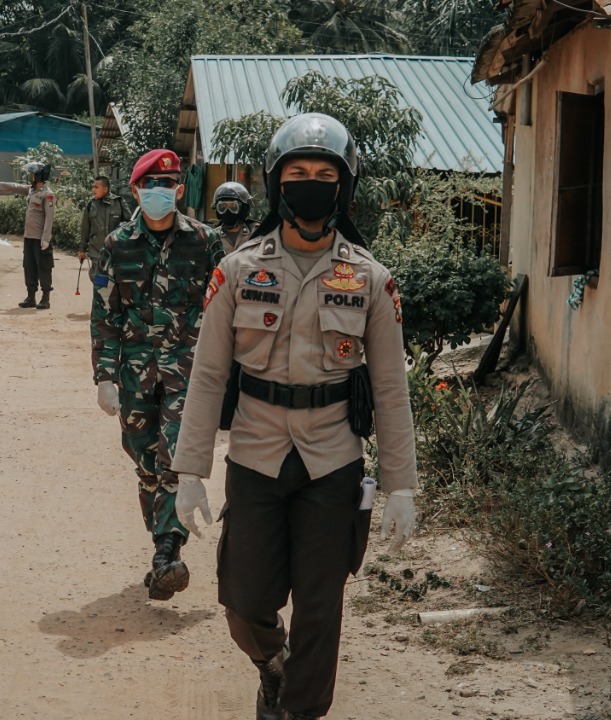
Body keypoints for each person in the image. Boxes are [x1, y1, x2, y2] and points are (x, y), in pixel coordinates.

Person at [168, 114, 418, 720]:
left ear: (344, 186)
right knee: (244, 600)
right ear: (278, 185)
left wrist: (401, 483)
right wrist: (190, 470)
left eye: (324, 174)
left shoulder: (369, 279)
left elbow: (389, 387)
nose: (310, 184)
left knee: (319, 604)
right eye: (298, 173)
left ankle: (299, 710)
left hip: (332, 459)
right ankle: (272, 665)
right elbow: (207, 376)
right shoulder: (236, 271)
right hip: (255, 452)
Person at [91, 149, 225, 601]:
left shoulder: (205, 242)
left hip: (187, 370)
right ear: (135, 191)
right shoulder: (117, 244)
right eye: (150, 186)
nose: (158, 193)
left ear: (179, 191)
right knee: (143, 458)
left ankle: (169, 549)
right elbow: (105, 314)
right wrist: (104, 376)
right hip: (134, 372)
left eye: (166, 186)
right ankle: (162, 547)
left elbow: (223, 311)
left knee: (175, 456)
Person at [0, 162, 55, 309]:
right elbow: (15, 187)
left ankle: (45, 299)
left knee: (43, 268)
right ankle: (30, 297)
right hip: (29, 237)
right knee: (29, 267)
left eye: (33, 174)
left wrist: (46, 239)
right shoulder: (31, 191)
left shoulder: (48, 194)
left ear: (38, 176)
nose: (31, 176)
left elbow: (49, 218)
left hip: (40, 239)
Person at [79, 175, 131, 281]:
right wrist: (82, 250)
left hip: (115, 251)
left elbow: (129, 225)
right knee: (99, 282)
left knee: (114, 281)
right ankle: (100, 296)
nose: (93, 190)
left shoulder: (119, 202)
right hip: (96, 251)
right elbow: (85, 229)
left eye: (96, 187)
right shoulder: (91, 205)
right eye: (93, 187)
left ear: (105, 189)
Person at [212, 181, 257, 254]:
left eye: (233, 206)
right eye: (222, 206)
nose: (227, 211)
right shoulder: (212, 236)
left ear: (243, 209)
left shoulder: (256, 233)